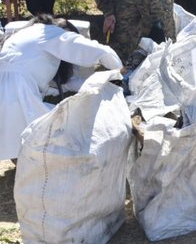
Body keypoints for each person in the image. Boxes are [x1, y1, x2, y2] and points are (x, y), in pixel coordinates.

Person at [0, 14, 122, 161]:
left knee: (16, 137)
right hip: (17, 92)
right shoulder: (52, 33)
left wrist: (100, 83)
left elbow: (67, 83)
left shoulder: (26, 34)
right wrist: (120, 70)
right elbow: (98, 51)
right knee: (58, 134)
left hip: (9, 90)